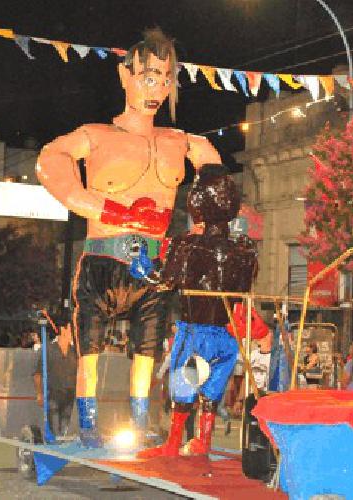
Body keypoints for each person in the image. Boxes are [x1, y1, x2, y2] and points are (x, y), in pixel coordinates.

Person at [36, 28, 223, 448]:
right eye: (148, 76)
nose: (156, 88)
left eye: (165, 78)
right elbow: (50, 158)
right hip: (103, 257)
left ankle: (140, 423)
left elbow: (214, 175)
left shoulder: (180, 142)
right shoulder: (97, 136)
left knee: (147, 352)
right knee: (91, 352)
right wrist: (102, 207)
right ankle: (87, 425)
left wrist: (202, 224)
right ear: (126, 76)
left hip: (154, 263)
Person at [136, 165, 259, 459]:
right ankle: (202, 441)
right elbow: (245, 291)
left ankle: (173, 443)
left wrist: (142, 269)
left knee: (184, 385)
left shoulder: (188, 245)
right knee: (212, 391)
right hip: (227, 336)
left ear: (198, 201)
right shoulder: (245, 251)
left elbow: (164, 282)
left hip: (196, 333)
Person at [33, 317, 78, 437]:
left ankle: (59, 444)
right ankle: (53, 444)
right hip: (52, 393)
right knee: (54, 426)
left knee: (64, 427)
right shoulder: (48, 350)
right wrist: (39, 394)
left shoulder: (74, 352)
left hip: (69, 395)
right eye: (70, 329)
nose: (72, 332)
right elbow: (38, 374)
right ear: (63, 330)